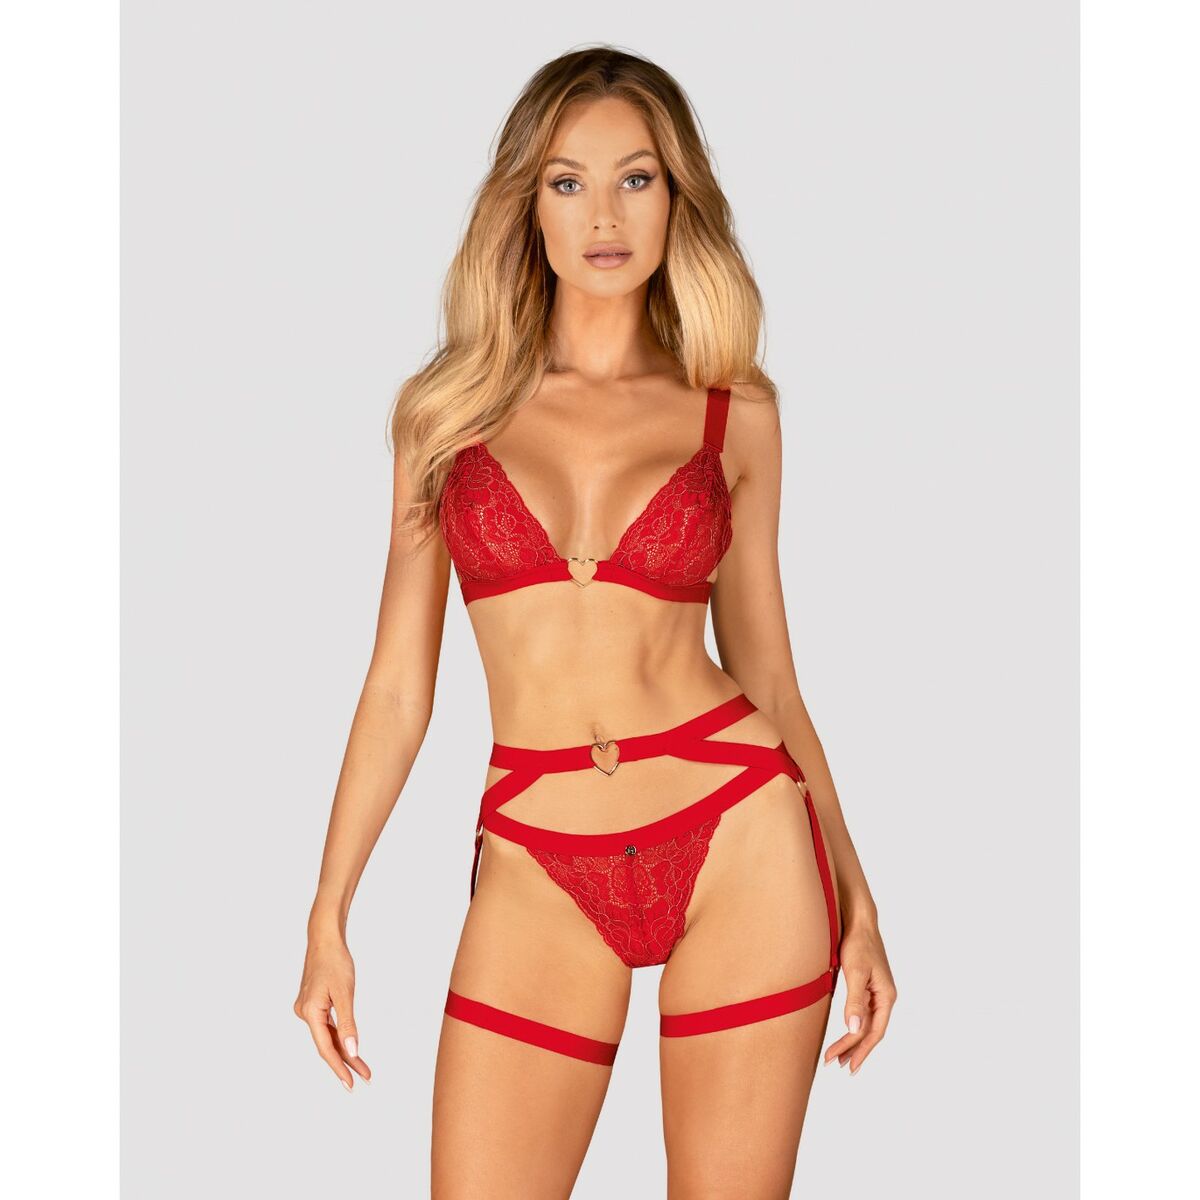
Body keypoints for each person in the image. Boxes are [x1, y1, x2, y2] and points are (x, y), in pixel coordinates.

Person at [294, 45, 897, 1197]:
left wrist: (858, 895)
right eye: (568, 181)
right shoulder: (443, 417)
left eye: (637, 178)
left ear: (677, 197)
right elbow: (397, 688)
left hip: (739, 832)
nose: (604, 215)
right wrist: (330, 910)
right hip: (537, 850)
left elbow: (769, 675)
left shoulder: (735, 411)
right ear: (527, 203)